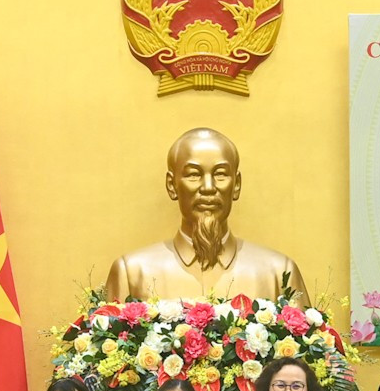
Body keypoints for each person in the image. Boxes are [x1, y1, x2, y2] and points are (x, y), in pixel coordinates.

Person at [104, 127, 309, 303]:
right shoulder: (131, 273)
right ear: (171, 185)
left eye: (220, 174)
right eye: (193, 174)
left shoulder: (279, 273)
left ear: (236, 185)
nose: (209, 188)